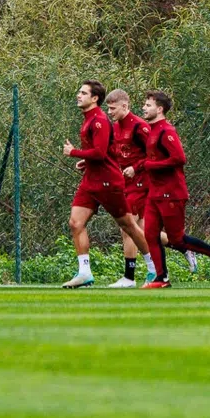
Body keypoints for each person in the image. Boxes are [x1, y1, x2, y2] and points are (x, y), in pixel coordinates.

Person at [62, 81, 153, 288]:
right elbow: (106, 152)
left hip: (107, 182)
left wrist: (75, 152)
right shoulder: (89, 120)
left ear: (95, 98)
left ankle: (154, 268)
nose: (78, 95)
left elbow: (101, 153)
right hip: (90, 182)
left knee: (128, 225)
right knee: (75, 223)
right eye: (79, 92)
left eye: (83, 93)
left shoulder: (99, 121)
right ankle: (84, 272)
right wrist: (86, 161)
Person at [137, 91, 210, 287]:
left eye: (148, 105)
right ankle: (161, 277)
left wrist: (149, 166)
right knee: (150, 234)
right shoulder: (151, 130)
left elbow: (179, 159)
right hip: (154, 193)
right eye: (144, 105)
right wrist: (140, 166)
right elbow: (151, 160)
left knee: (177, 240)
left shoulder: (166, 131)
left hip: (172, 193)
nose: (144, 108)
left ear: (159, 109)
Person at [105, 89, 154, 288]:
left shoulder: (140, 127)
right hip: (125, 183)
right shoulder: (115, 128)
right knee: (142, 230)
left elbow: (154, 154)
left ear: (125, 106)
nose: (109, 112)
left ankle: (130, 277)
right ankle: (182, 245)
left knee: (127, 226)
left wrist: (136, 167)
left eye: (112, 108)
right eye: (108, 108)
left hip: (142, 182)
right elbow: (113, 153)